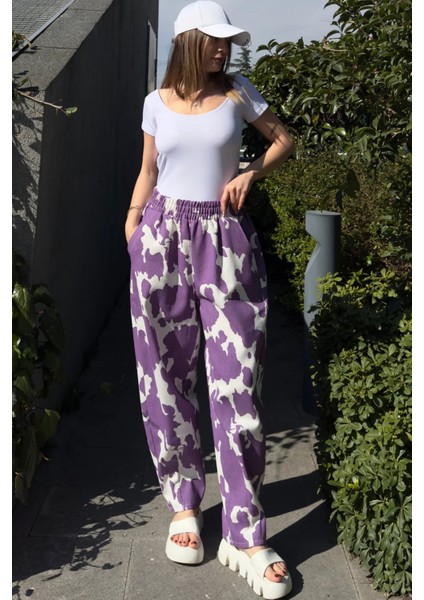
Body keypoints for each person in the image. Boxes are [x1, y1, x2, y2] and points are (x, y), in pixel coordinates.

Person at [125, 2, 295, 598]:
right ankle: (184, 506)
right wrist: (133, 224)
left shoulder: (239, 92)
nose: (224, 49)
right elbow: (149, 170)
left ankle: (244, 533)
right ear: (188, 42)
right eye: (215, 40)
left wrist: (250, 172)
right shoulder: (154, 102)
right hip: (160, 238)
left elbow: (285, 140)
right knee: (164, 376)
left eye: (228, 42)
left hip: (225, 241)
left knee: (238, 381)